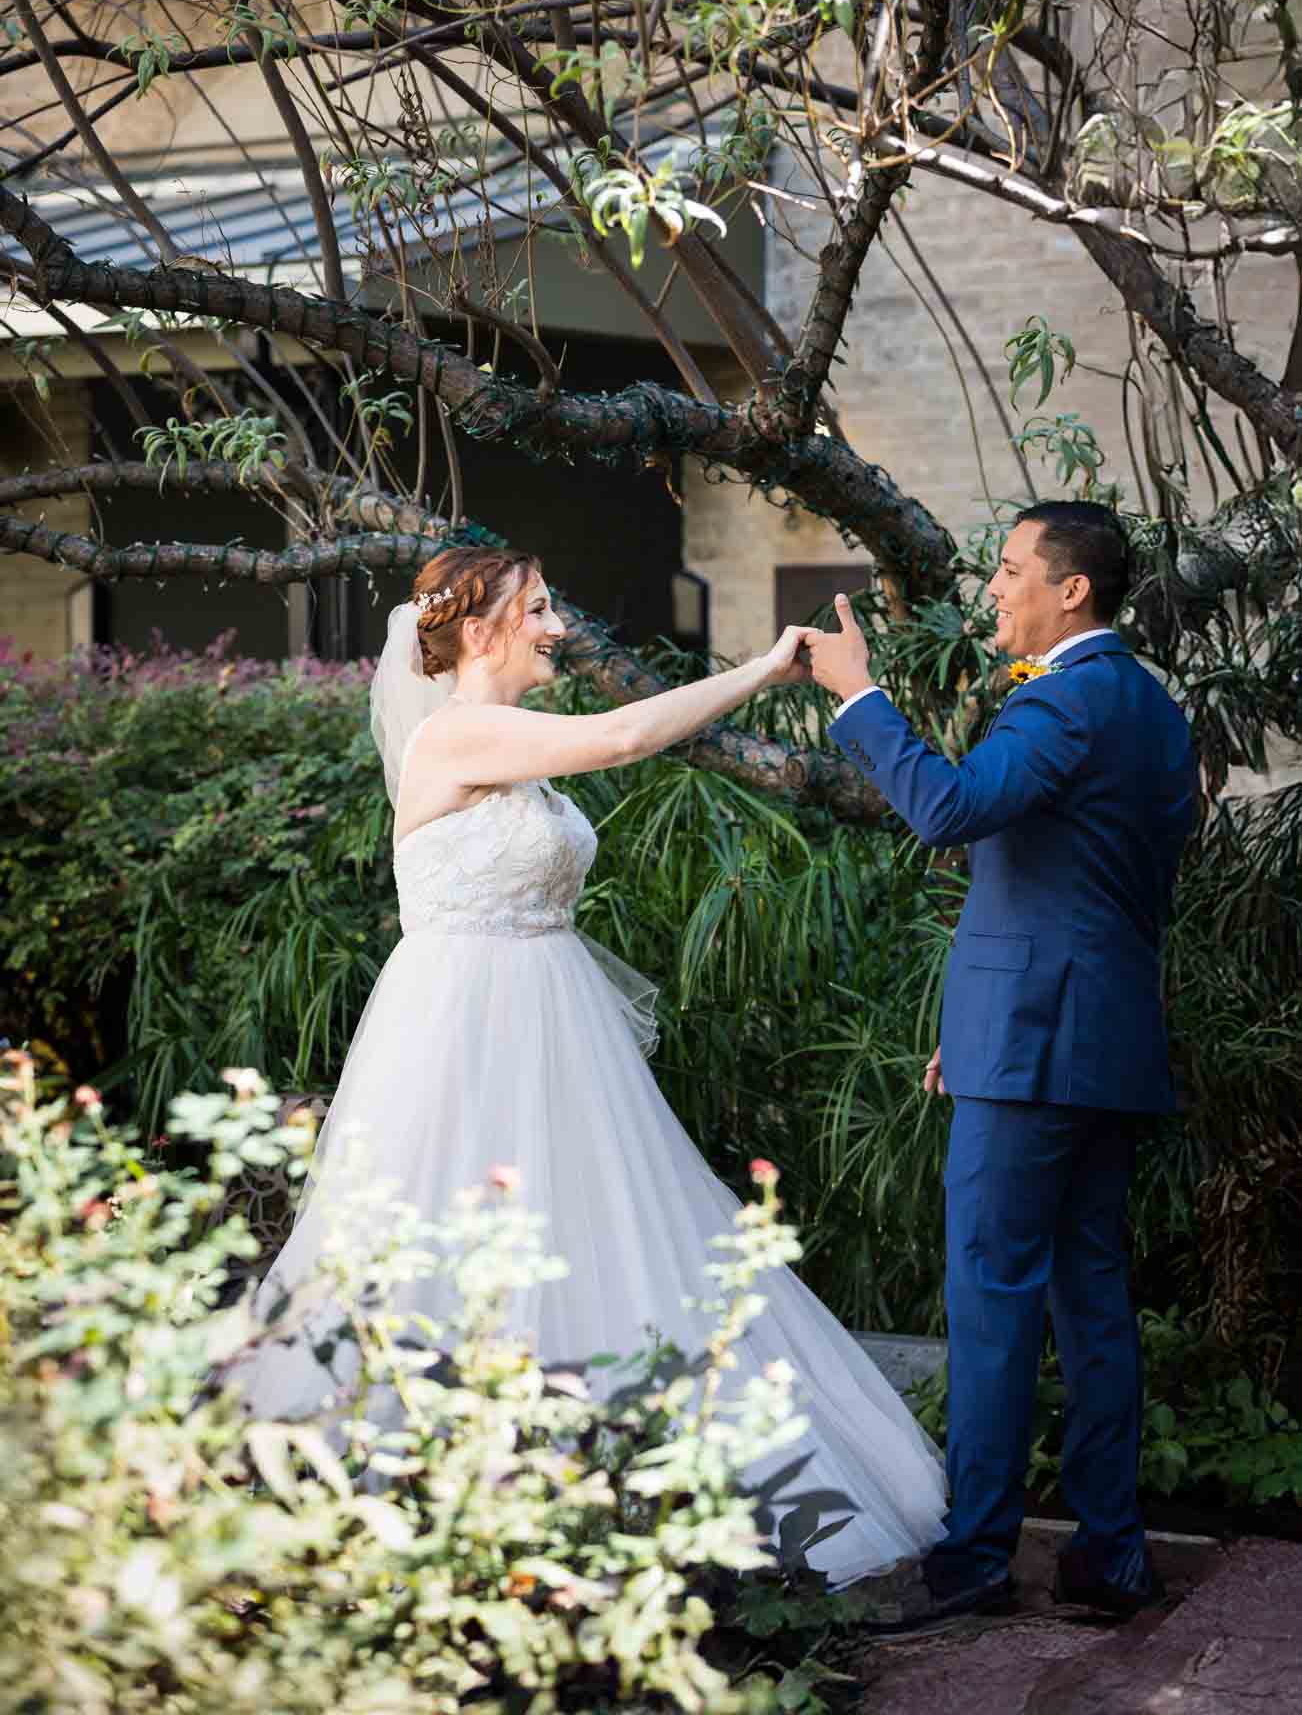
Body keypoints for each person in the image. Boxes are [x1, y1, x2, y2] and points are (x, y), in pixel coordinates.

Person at [236, 542, 946, 1588]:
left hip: (554, 1020)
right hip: (463, 1032)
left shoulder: (505, 736)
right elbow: (620, 736)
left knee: (600, 1232)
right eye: (537, 606)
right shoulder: (458, 730)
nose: (557, 624)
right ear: (478, 630)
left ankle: (594, 1477)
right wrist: (762, 665)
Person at [807, 500, 1198, 1628]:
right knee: (1094, 1303)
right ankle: (1110, 1560)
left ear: (1071, 589)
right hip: (1094, 1040)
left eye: (1011, 568)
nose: (994, 587)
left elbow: (947, 808)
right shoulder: (1153, 709)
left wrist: (859, 696)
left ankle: (975, 1558)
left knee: (991, 1301)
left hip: (1033, 1053)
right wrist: (973, 1020)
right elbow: (1087, 889)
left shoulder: (1064, 702)